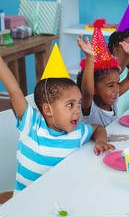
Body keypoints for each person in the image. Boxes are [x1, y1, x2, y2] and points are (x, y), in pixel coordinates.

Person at [0, 55, 115, 193]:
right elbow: (14, 89)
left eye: (78, 104)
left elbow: (98, 128)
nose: (77, 111)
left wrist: (101, 141)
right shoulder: (31, 124)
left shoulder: (77, 131)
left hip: (59, 200)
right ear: (48, 109)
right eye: (70, 105)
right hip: (24, 201)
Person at [76, 34, 129, 126]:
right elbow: (87, 92)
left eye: (117, 83)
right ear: (94, 88)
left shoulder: (112, 99)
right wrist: (90, 58)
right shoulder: (90, 108)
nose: (117, 89)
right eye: (110, 85)